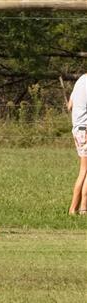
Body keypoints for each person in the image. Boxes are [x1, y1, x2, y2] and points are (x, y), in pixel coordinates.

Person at [67, 73, 87, 215]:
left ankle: (79, 208)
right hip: (86, 129)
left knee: (84, 170)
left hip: (77, 129)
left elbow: (70, 105)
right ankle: (78, 209)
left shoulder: (80, 80)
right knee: (84, 171)